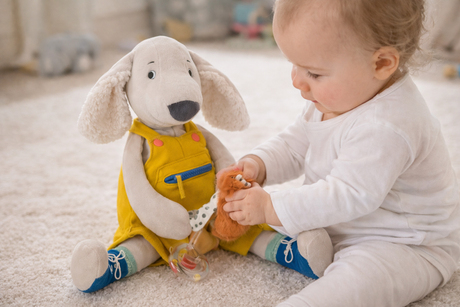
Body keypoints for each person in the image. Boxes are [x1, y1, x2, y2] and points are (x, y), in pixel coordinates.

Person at [220, 0, 460, 306]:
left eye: (314, 73)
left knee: (358, 282)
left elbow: (348, 194)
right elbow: (296, 142)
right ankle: (307, 247)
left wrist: (270, 207)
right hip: (343, 224)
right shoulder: (339, 95)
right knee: (265, 215)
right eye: (295, 65)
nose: (297, 81)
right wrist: (260, 163)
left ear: (382, 64)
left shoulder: (388, 124)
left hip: (407, 244)